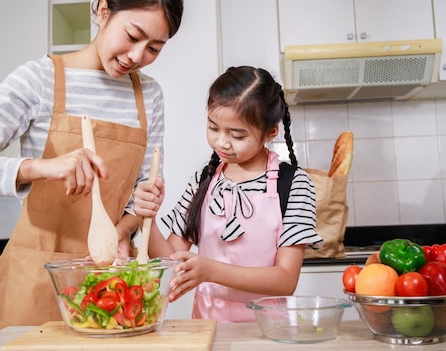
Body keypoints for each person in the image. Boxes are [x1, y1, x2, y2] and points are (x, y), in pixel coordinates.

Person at [0, 0, 184, 333]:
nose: (136, 55)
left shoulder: (149, 95)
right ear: (103, 12)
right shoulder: (39, 79)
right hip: (36, 278)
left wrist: (126, 226)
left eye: (154, 48)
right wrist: (42, 167)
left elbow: (140, 194)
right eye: (132, 35)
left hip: (111, 284)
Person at [132, 66, 323, 322]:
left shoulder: (293, 184)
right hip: (207, 325)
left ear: (270, 132)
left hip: (267, 329)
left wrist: (209, 270)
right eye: (213, 128)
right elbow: (171, 261)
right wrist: (148, 219)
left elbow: (285, 280)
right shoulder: (204, 179)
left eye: (237, 135)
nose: (222, 142)